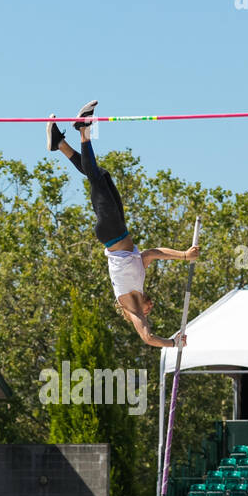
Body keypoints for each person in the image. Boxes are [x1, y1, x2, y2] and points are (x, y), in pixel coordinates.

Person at [47, 101, 199, 349]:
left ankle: (83, 130)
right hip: (120, 230)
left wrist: (173, 344)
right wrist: (184, 255)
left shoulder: (132, 308)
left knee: (96, 178)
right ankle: (60, 144)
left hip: (111, 234)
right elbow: (152, 253)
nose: (152, 305)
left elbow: (148, 337)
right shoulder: (139, 281)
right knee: (101, 176)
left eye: (151, 309)